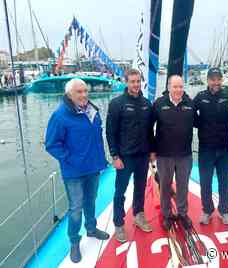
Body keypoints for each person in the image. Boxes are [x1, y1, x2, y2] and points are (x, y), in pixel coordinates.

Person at [45, 78, 110, 263]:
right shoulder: (60, 116)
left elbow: (96, 137)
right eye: (79, 92)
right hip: (74, 171)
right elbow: (52, 144)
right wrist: (71, 159)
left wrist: (100, 159)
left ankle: (91, 228)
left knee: (91, 200)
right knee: (75, 208)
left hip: (93, 167)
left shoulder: (92, 110)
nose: (84, 95)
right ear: (69, 94)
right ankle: (74, 241)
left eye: (85, 91)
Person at [106, 69, 153, 243]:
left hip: (142, 156)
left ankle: (138, 216)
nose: (135, 84)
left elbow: (150, 131)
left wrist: (152, 151)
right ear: (126, 82)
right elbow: (110, 132)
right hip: (125, 157)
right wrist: (114, 156)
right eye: (132, 81)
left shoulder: (147, 103)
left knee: (140, 188)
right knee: (120, 191)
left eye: (138, 81)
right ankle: (118, 224)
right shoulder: (117, 103)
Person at [193, 67, 228, 225]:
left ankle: (224, 211)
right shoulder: (200, 97)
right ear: (208, 80)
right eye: (212, 79)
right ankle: (207, 210)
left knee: (225, 182)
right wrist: (201, 125)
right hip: (206, 149)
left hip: (225, 149)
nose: (216, 82)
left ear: (222, 80)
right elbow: (190, 114)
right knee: (205, 182)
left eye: (218, 79)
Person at [152, 75, 194, 230]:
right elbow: (149, 126)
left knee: (183, 186)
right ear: (169, 87)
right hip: (164, 154)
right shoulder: (159, 104)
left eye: (181, 87)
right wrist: (152, 150)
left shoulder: (190, 104)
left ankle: (182, 214)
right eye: (175, 87)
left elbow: (200, 123)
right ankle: (167, 214)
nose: (178, 90)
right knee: (165, 186)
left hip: (185, 154)